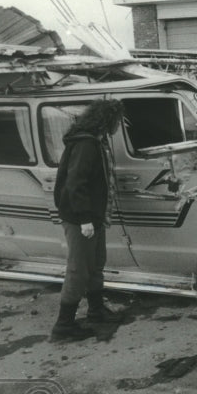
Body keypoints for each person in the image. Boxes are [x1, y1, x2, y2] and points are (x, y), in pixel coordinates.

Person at [50, 99, 126, 341]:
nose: (119, 126)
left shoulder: (96, 140)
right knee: (78, 270)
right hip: (80, 217)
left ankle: (95, 311)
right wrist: (84, 219)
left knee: (95, 264)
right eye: (117, 121)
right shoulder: (86, 144)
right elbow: (75, 184)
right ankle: (63, 327)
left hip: (94, 215)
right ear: (108, 119)